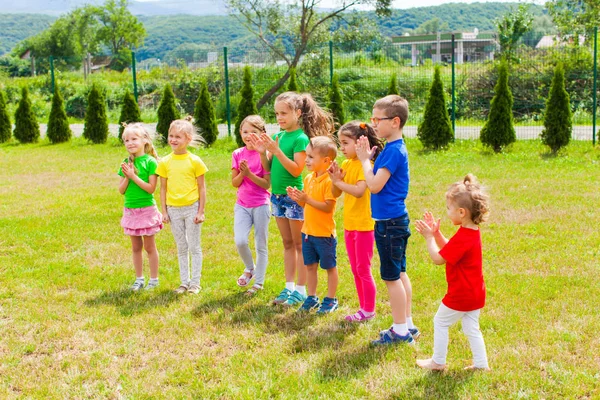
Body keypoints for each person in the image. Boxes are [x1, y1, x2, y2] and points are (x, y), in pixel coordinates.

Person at [249, 91, 334, 306]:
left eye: (284, 113)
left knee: (299, 244)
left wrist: (276, 152)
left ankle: (301, 289)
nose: (279, 118)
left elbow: (297, 170)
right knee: (287, 243)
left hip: (294, 198)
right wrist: (262, 153)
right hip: (277, 197)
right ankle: (288, 287)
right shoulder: (278, 137)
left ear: (297, 113)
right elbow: (268, 171)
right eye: (276, 114)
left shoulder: (300, 138)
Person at [356, 95, 419, 345]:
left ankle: (400, 331)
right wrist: (371, 160)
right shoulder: (392, 149)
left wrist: (363, 162)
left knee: (391, 278)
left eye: (377, 119)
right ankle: (408, 324)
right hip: (395, 221)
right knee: (401, 273)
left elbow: (374, 185)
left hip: (389, 224)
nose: (373, 124)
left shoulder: (393, 152)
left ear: (395, 121)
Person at [414, 174, 491, 371]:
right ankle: (482, 365)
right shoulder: (471, 232)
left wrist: (429, 238)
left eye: (449, 209)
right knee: (471, 329)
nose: (447, 212)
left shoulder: (464, 236)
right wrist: (438, 234)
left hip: (461, 294)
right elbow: (452, 250)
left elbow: (439, 258)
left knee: (440, 322)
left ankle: (438, 362)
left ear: (462, 212)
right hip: (475, 293)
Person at [328, 121, 383, 322]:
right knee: (355, 269)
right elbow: (336, 192)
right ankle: (363, 308)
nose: (342, 148)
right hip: (350, 224)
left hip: (364, 225)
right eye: (340, 143)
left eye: (345, 143)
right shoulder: (346, 164)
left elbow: (360, 191)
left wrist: (339, 182)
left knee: (363, 268)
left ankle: (369, 310)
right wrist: (335, 180)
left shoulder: (364, 165)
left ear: (361, 143)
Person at [287, 136, 338, 313]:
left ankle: (331, 299)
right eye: (306, 156)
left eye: (310, 157)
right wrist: (299, 199)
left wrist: (307, 199)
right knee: (310, 266)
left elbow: (327, 207)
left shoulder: (330, 181)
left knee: (330, 267)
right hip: (308, 232)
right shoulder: (308, 179)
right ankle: (312, 297)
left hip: (324, 234)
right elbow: (307, 204)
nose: (306, 160)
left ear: (326, 161)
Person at [156, 117, 207, 295]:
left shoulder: (195, 161)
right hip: (173, 210)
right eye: (171, 136)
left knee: (194, 246)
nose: (173, 140)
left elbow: (202, 188)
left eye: (178, 136)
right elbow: (162, 188)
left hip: (192, 208)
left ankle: (195, 283)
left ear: (188, 139)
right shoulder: (164, 162)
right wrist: (164, 211)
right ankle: (184, 282)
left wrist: (201, 211)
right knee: (181, 247)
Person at [118, 123, 163, 291]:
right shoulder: (125, 163)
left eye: (133, 139)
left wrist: (133, 176)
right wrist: (127, 177)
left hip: (146, 210)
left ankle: (154, 279)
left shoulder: (150, 162)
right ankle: (139, 279)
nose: (129, 143)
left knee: (149, 247)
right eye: (126, 140)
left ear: (144, 140)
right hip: (130, 210)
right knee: (136, 248)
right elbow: (121, 190)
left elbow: (151, 188)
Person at [232, 115, 271, 296]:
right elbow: (234, 182)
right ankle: (250, 268)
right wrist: (242, 174)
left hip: (261, 204)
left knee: (260, 245)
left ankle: (259, 283)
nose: (249, 136)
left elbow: (266, 184)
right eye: (245, 132)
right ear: (240, 133)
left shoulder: (264, 154)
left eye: (253, 132)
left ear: (262, 134)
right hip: (242, 205)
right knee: (240, 241)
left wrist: (249, 174)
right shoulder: (237, 154)